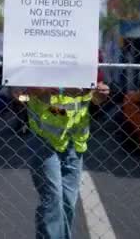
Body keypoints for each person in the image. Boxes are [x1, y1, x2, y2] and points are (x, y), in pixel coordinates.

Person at [24, 66, 110, 239]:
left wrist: (101, 93)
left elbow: (96, 99)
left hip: (74, 141)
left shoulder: (87, 59)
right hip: (44, 139)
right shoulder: (41, 58)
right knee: (53, 199)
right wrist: (58, 87)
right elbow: (22, 92)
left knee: (67, 203)